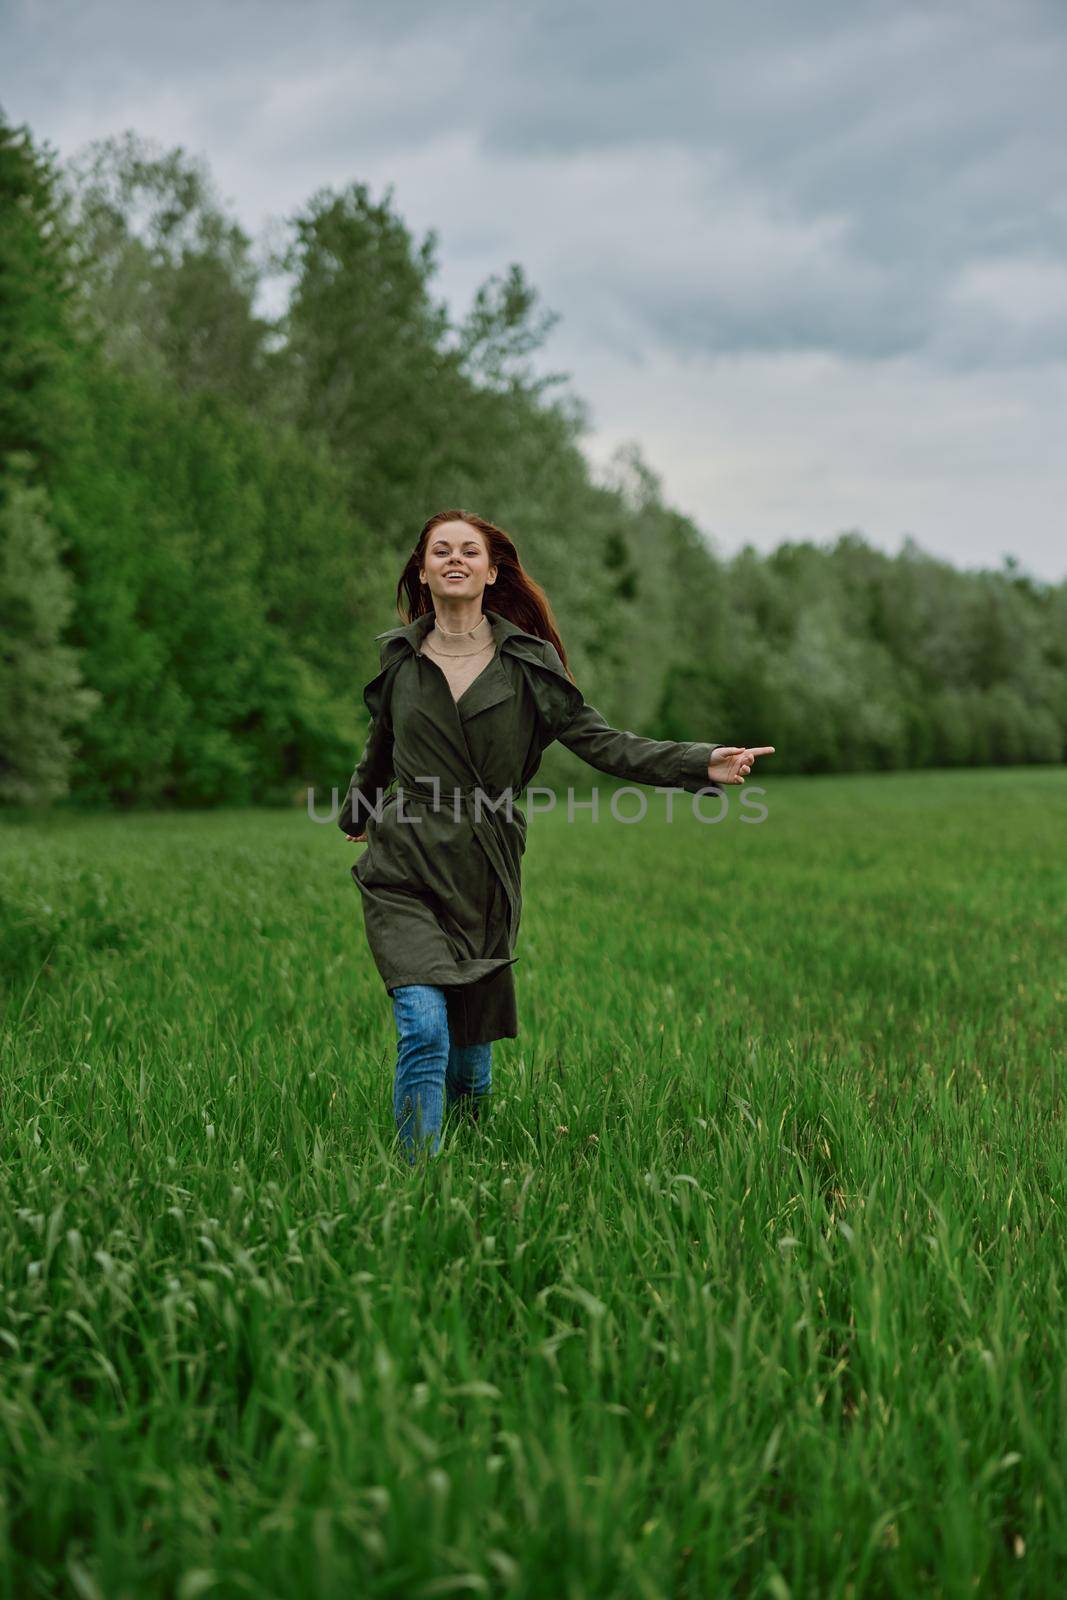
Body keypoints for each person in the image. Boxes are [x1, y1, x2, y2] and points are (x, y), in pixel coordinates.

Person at [339, 509, 774, 1164]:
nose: (453, 559)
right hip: (404, 860)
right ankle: (415, 1184)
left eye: (468, 551)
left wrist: (697, 762)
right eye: (439, 551)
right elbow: (380, 747)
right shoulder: (399, 658)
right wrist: (357, 812)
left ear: (490, 572)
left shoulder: (526, 664)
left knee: (471, 1062)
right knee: (425, 1027)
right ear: (423, 573)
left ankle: (472, 1155)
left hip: (484, 866)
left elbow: (602, 743)